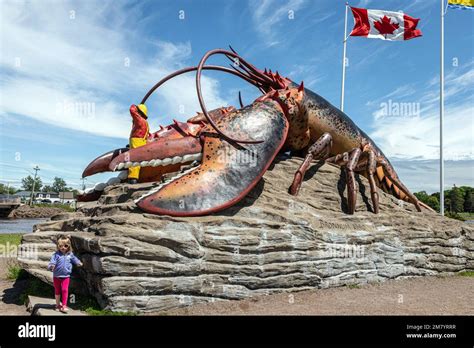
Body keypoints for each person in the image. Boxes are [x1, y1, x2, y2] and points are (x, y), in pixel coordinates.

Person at [47, 235, 83, 313]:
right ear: (58, 246)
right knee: (57, 291)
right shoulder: (56, 255)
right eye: (61, 246)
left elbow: (75, 259)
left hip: (66, 276)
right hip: (56, 276)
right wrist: (51, 266)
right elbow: (51, 262)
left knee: (64, 290)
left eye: (65, 246)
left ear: (69, 246)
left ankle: (64, 305)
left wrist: (78, 262)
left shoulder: (70, 254)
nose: (63, 247)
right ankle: (57, 305)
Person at [128, 103, 150, 184]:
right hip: (141, 141)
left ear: (139, 112)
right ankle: (135, 177)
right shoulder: (146, 123)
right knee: (138, 158)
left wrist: (134, 106)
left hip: (136, 141)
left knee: (134, 158)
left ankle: (133, 178)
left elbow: (132, 110)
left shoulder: (139, 119)